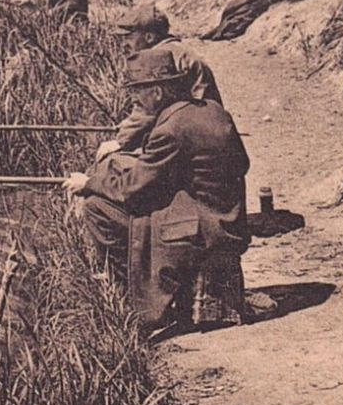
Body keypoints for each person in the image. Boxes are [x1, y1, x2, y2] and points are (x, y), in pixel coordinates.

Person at [64, 47, 251, 331]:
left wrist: (88, 183)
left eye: (138, 91)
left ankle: (133, 302)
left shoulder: (170, 128)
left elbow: (132, 189)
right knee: (117, 171)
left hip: (205, 229)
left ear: (158, 93)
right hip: (228, 218)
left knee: (96, 207)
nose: (133, 98)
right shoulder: (212, 110)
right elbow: (241, 164)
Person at [96, 2, 224, 161]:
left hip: (192, 141)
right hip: (209, 134)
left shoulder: (159, 58)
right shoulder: (179, 51)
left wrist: (121, 141)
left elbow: (148, 110)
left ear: (149, 37)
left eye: (128, 37)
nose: (124, 44)